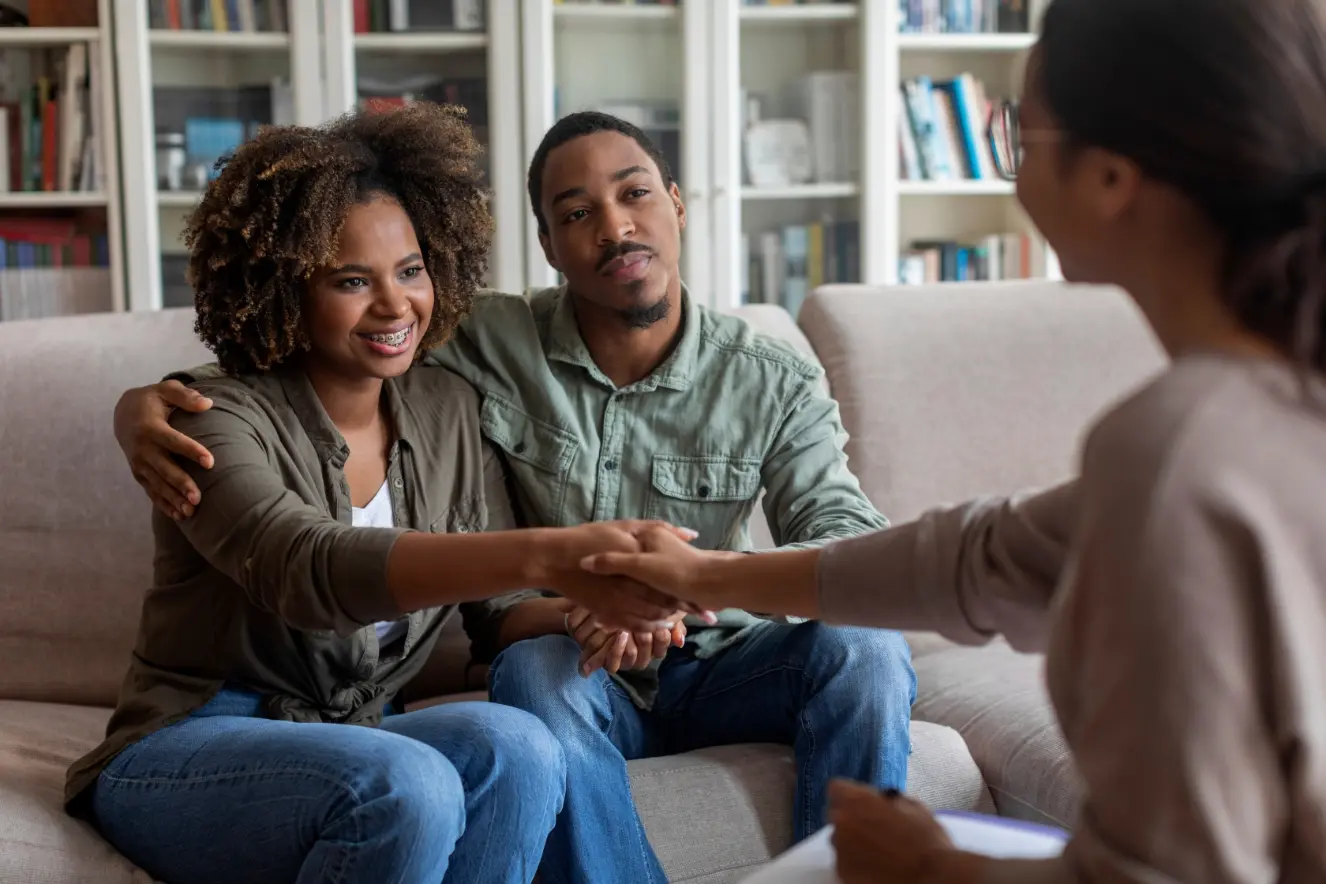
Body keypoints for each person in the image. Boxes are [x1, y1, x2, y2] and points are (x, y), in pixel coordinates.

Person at [579, 0, 1326, 881]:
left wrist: (934, 865)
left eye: (1020, 134)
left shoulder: (1178, 452)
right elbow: (978, 558)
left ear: (1112, 178)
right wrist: (709, 577)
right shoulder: (1241, 418)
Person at [109, 111, 916, 883]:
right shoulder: (463, 351)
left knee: (859, 651)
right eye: (577, 212)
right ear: (548, 245)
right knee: (513, 698)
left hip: (714, 662)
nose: (615, 227)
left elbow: (850, 546)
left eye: (635, 193)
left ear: (675, 201)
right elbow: (305, 548)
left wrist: (665, 590)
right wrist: (139, 402)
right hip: (239, 715)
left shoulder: (448, 403)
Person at [67, 103, 696, 884]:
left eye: (411, 271)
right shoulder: (210, 418)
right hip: (191, 742)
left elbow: (497, 617)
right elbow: (308, 569)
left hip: (358, 733)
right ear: (285, 287)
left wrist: (589, 606)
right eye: (351, 281)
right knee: (408, 781)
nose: (395, 306)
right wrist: (564, 552)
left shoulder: (448, 409)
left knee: (522, 745)